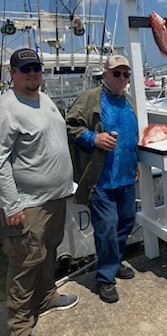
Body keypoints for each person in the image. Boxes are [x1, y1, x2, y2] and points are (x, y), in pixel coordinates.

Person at [0, 48, 78, 336]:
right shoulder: (7, 108)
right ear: (13, 73)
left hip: (56, 197)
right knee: (25, 262)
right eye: (25, 69)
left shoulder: (44, 98)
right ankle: (18, 326)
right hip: (28, 204)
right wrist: (11, 205)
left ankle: (46, 298)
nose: (32, 72)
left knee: (49, 252)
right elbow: (0, 161)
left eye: (36, 67)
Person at [66, 55, 139, 304]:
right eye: (116, 73)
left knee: (125, 224)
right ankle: (105, 278)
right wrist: (94, 139)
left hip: (127, 178)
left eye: (125, 75)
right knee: (107, 228)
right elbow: (70, 126)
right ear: (105, 75)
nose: (121, 79)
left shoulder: (128, 101)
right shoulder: (91, 98)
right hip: (102, 180)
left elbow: (131, 136)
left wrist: (135, 162)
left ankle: (114, 262)